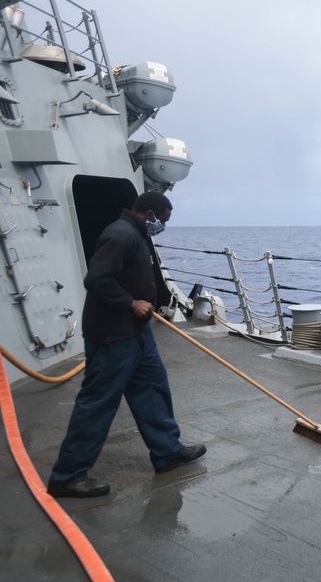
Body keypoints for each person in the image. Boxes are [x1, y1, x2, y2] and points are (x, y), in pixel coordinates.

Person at [47, 192, 206, 498]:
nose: (163, 226)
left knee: (152, 388)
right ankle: (67, 476)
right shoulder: (121, 235)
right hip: (113, 336)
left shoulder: (136, 233)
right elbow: (97, 280)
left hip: (137, 333)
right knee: (98, 403)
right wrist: (131, 303)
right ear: (150, 214)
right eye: (162, 220)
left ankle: (167, 452)